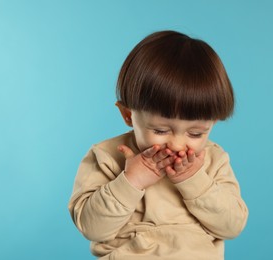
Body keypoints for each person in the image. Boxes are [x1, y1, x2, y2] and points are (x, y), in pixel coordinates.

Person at [68, 30, 248, 260]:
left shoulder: (213, 159)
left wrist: (195, 181)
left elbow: (232, 226)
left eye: (195, 133)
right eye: (161, 130)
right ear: (127, 115)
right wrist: (131, 181)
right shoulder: (106, 156)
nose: (177, 144)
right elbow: (91, 227)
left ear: (211, 123)